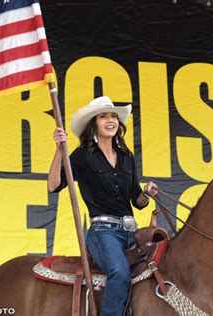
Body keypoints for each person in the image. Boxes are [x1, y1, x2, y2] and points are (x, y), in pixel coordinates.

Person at [48, 96, 157, 316]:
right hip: (103, 232)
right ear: (94, 124)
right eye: (103, 116)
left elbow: (137, 201)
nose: (110, 120)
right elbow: (53, 185)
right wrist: (60, 149)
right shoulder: (82, 156)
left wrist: (146, 194)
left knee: (155, 271)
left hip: (131, 232)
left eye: (113, 116)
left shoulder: (127, 157)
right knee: (119, 272)